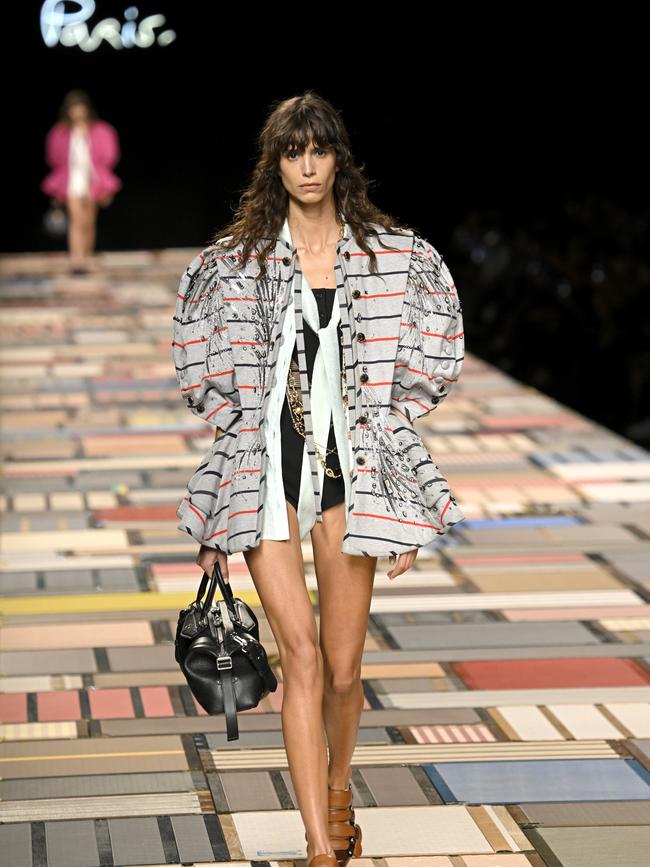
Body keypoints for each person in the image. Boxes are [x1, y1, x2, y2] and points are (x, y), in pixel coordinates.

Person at [172, 91, 465, 867]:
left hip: (348, 480)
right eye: (293, 152)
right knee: (299, 658)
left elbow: (401, 398)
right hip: (266, 478)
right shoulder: (235, 266)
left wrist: (405, 505)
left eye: (319, 150)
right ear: (276, 163)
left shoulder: (391, 259)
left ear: (340, 159)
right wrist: (214, 525)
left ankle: (339, 789)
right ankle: (318, 844)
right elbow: (229, 406)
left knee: (342, 669)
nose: (307, 165)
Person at [40, 89, 122, 272]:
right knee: (76, 218)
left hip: (93, 180)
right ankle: (76, 259)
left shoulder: (101, 131)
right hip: (72, 180)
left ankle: (86, 256)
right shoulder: (60, 132)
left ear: (86, 109)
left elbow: (109, 157)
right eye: (72, 108)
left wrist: (106, 186)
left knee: (89, 220)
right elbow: (54, 159)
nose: (76, 112)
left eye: (79, 107)